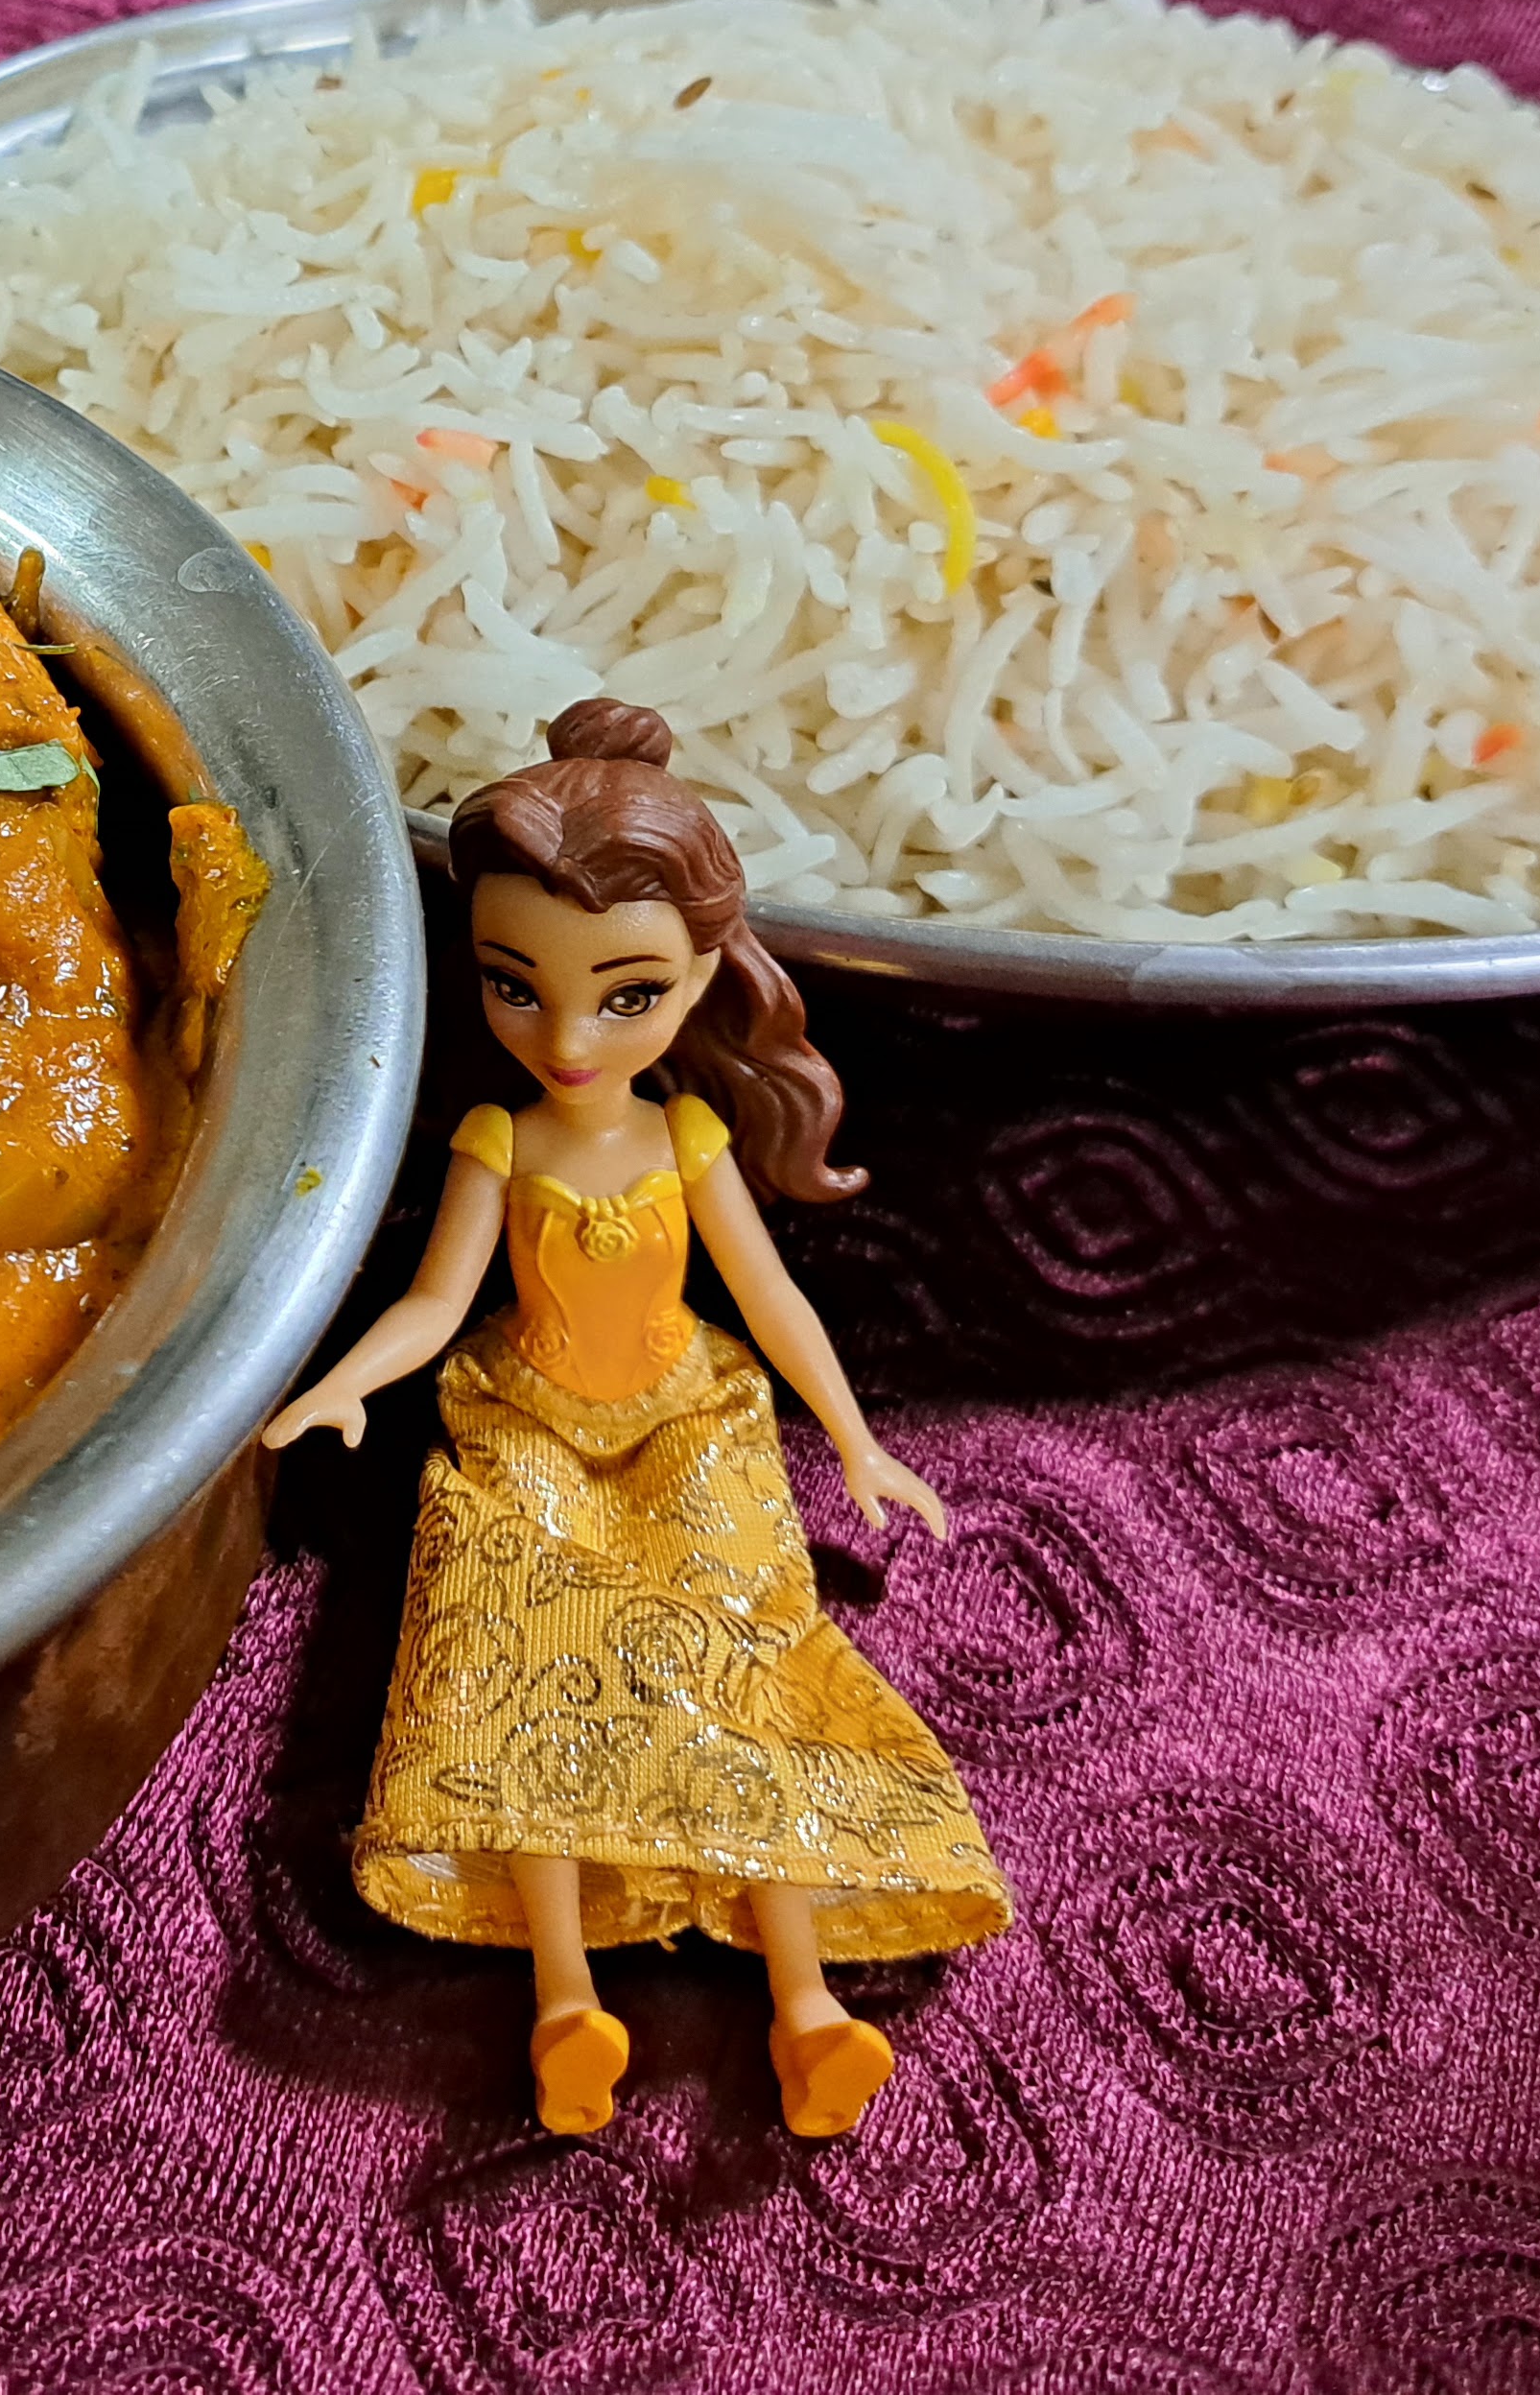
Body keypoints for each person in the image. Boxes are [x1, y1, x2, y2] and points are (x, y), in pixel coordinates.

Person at [262, 699, 1007, 2141]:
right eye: (514, 986)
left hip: (686, 1422)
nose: (565, 1036)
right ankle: (564, 1999)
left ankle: (806, 2003)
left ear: (706, 972)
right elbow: (436, 1300)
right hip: (527, 1426)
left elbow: (773, 1296)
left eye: (626, 994)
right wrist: (350, 1378)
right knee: (517, 1672)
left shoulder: (687, 1134)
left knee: (746, 1666)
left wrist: (857, 1441)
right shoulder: (498, 1137)